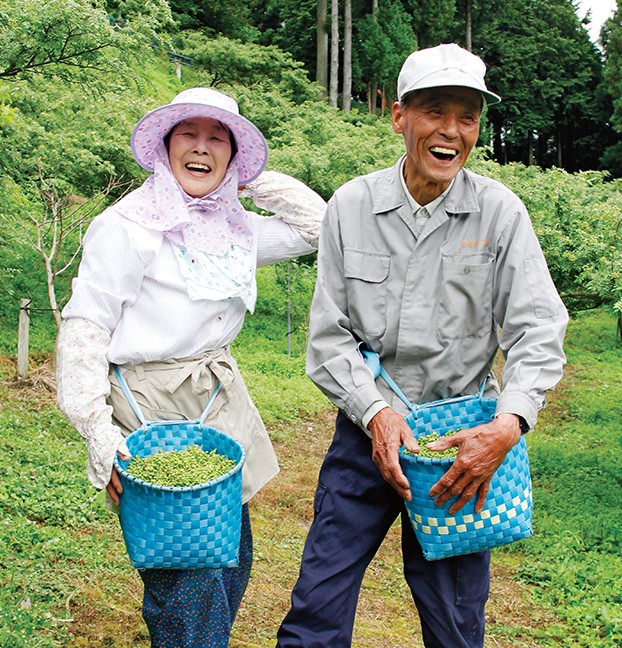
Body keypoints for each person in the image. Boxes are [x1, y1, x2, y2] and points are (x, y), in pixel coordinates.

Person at [276, 43, 568, 648]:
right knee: (316, 611)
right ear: (400, 117)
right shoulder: (352, 207)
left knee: (455, 624)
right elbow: (330, 334)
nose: (451, 131)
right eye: (435, 110)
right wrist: (377, 414)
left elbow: (537, 329)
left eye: (468, 116)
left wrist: (509, 423)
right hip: (367, 431)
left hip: (460, 447)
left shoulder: (500, 214)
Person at [55, 87, 326, 648]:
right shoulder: (127, 226)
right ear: (164, 146)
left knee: (231, 559)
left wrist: (251, 179)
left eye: (218, 139)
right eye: (189, 135)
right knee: (186, 576)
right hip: (149, 405)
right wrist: (100, 435)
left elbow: (318, 228)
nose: (201, 149)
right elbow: (84, 328)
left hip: (216, 401)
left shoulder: (234, 229)